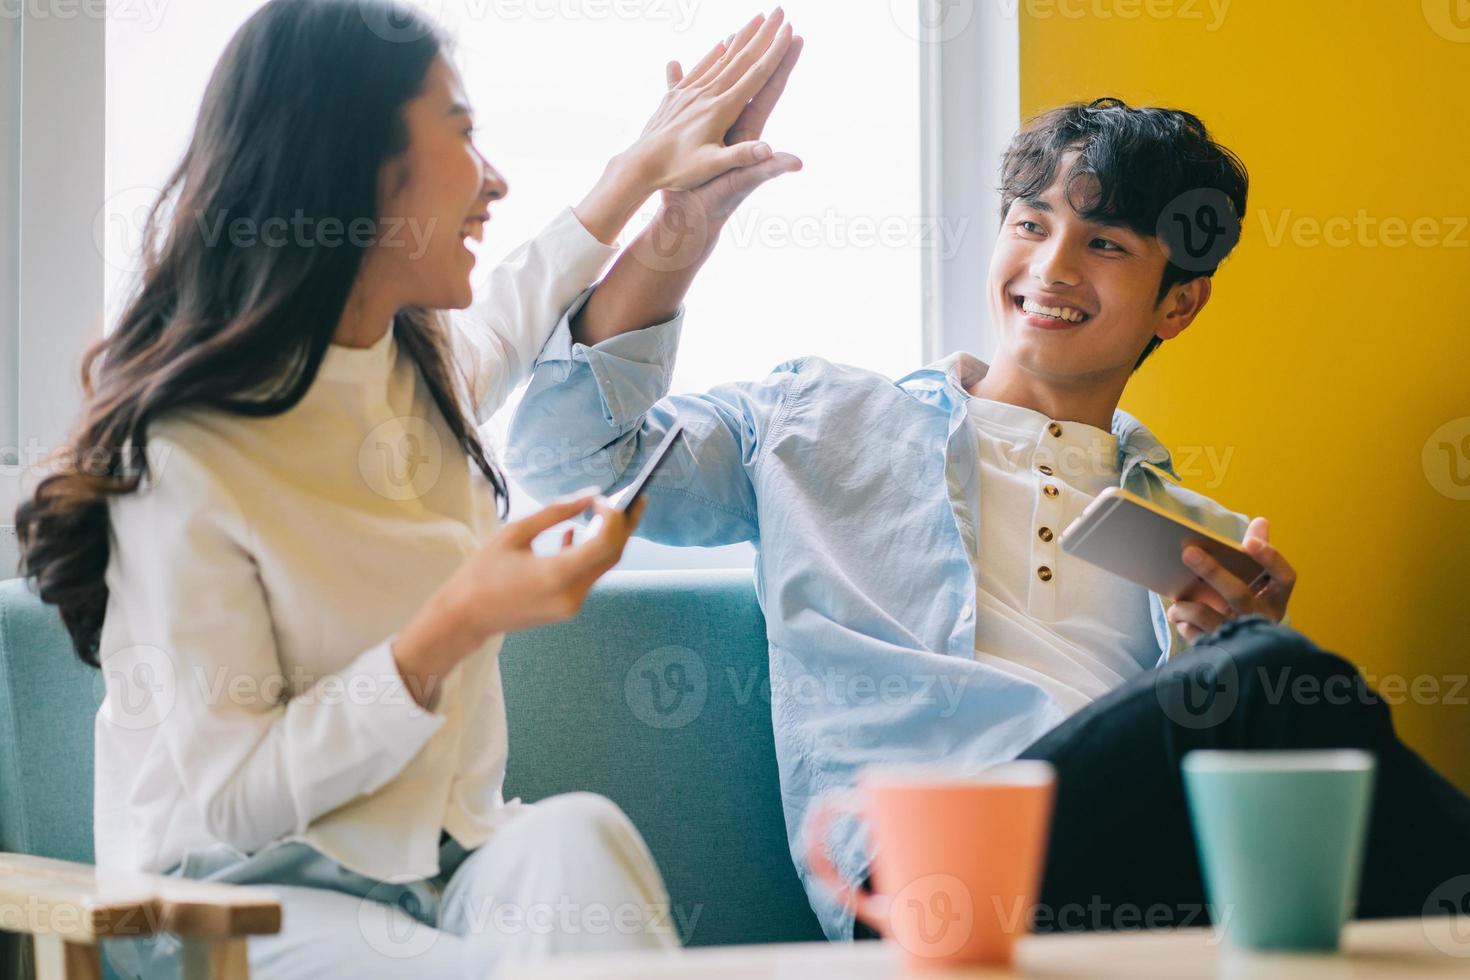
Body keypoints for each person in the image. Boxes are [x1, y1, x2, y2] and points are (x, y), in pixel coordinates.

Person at [506, 95, 1470, 940]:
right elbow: (567, 467)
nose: (1049, 267)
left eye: (1105, 244)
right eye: (1029, 221)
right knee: (1274, 680)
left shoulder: (1192, 532)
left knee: (1289, 711)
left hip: (1154, 876)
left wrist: (1230, 646)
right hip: (933, 874)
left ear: (1179, 304)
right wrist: (679, 232)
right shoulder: (817, 419)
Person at [12, 1, 801, 975]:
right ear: (354, 171)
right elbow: (234, 799)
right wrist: (452, 626)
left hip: (436, 871)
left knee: (576, 838)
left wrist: (647, 168)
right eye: (464, 136)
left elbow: (523, 298)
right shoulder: (186, 452)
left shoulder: (411, 371)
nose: (496, 179)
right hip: (230, 903)